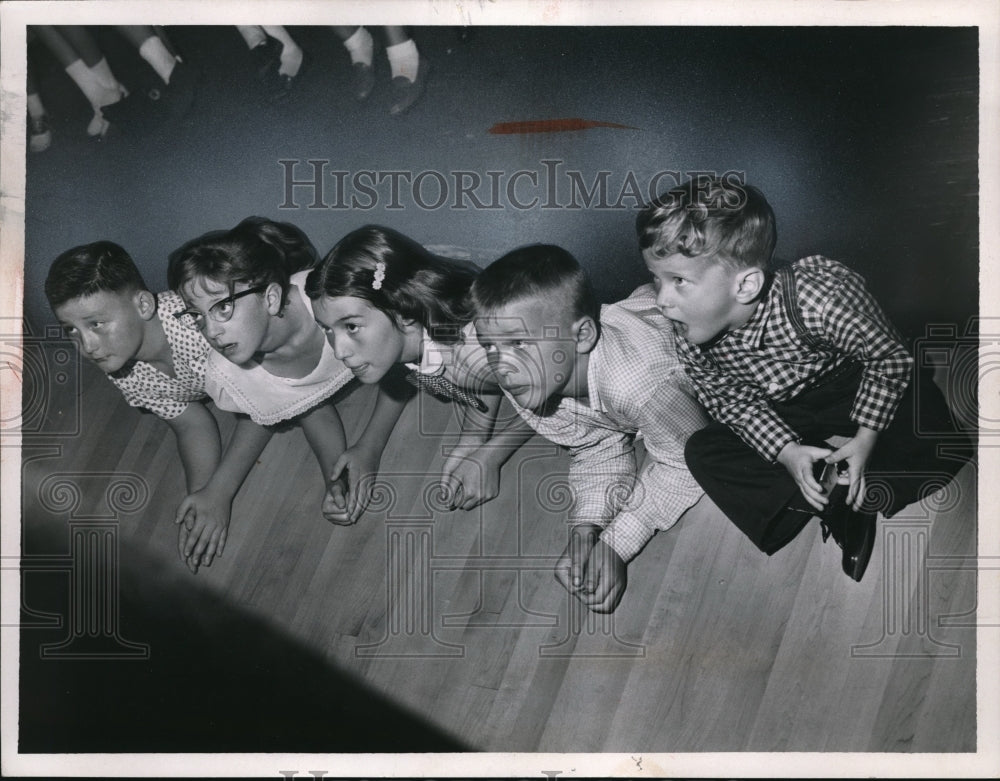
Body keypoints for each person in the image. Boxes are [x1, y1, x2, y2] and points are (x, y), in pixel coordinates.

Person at [636, 177, 970, 582]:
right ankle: (827, 495)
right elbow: (731, 402)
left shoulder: (819, 299)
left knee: (938, 436)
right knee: (704, 449)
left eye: (679, 281)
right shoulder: (688, 328)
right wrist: (786, 451)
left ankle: (862, 486)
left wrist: (866, 435)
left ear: (745, 285)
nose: (662, 299)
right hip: (785, 408)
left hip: (851, 382)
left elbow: (888, 355)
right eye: (657, 279)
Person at [469, 245, 708, 613]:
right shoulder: (530, 379)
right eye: (491, 347)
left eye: (519, 343)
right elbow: (597, 445)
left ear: (581, 336)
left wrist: (618, 543)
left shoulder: (641, 386)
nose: (502, 367)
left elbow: (688, 461)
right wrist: (587, 529)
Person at [167, 217, 402, 565]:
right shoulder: (229, 374)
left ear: (272, 298)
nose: (211, 332)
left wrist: (370, 445)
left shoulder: (336, 302)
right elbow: (305, 404)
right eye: (197, 317)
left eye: (223, 307)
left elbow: (404, 363)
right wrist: (334, 478)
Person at [306, 225, 532, 511]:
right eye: (327, 329)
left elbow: (561, 390)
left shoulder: (470, 348)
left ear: (403, 314)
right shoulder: (410, 339)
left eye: (351, 326)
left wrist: (492, 455)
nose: (338, 351)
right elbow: (487, 380)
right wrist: (472, 437)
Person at [44, 241, 230, 575]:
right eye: (71, 329)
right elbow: (190, 422)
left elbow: (268, 405)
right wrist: (201, 498)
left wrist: (221, 491)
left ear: (143, 304)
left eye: (96, 323)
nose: (86, 346)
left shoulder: (200, 327)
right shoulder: (120, 365)